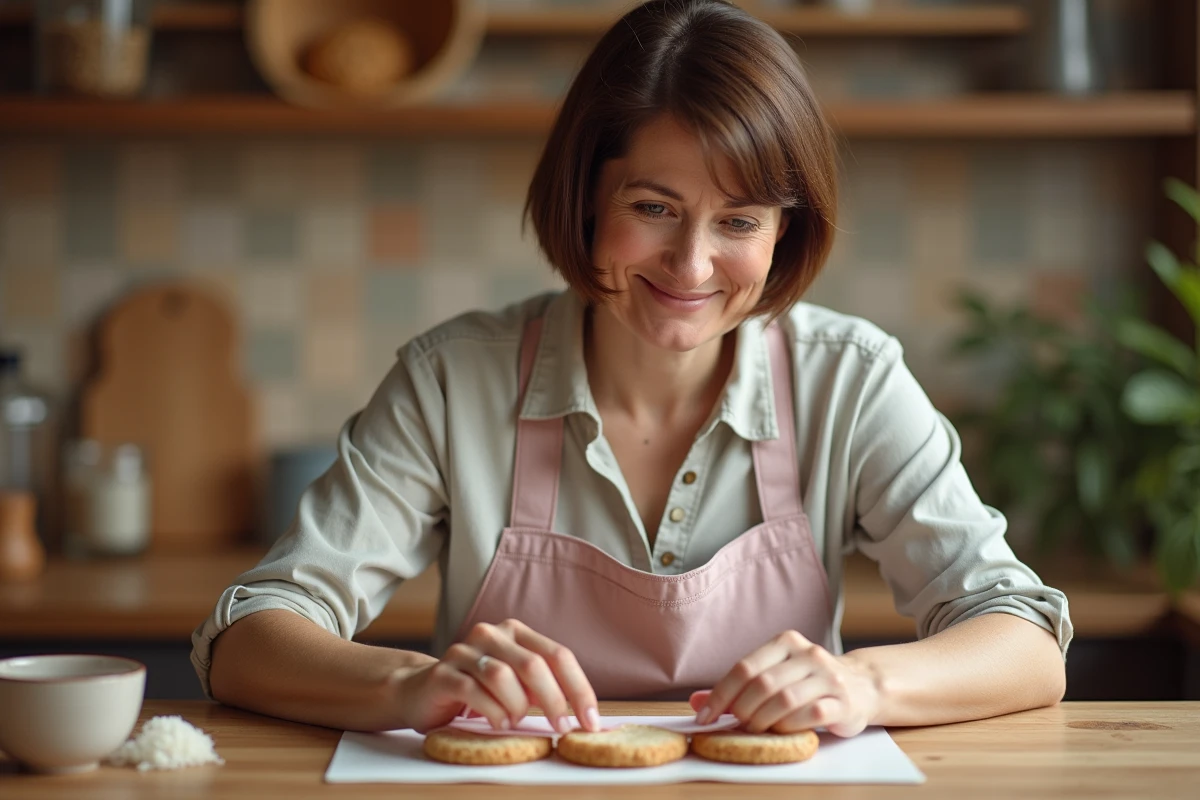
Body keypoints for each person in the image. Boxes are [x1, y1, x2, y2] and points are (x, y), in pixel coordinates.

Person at [194, 0, 1070, 739]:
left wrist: (866, 687)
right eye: (653, 207)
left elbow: (1023, 640)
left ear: (785, 232)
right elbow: (247, 637)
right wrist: (403, 686)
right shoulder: (452, 380)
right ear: (583, 199)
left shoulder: (853, 380)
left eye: (740, 221)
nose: (690, 266)